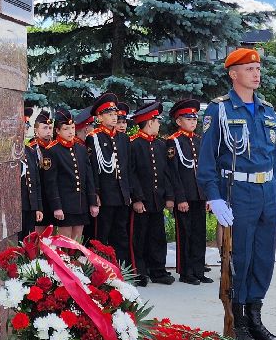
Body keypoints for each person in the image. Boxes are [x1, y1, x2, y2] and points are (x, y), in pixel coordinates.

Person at [197, 47, 276, 340]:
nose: (256, 73)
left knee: (264, 258)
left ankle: (255, 317)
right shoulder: (219, 110)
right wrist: (215, 197)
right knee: (240, 257)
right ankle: (237, 321)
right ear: (233, 74)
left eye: (258, 68)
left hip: (265, 192)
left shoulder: (267, 109)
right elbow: (207, 159)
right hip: (238, 192)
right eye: (249, 69)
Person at [164, 98, 211, 285]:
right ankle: (186, 271)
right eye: (188, 118)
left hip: (199, 195)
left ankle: (199, 270)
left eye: (194, 118)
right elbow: (173, 173)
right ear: (178, 121)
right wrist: (180, 198)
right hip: (185, 197)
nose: (193, 121)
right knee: (185, 234)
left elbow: (206, 170)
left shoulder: (199, 140)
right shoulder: (173, 142)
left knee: (200, 234)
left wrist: (207, 196)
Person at [85, 93, 133, 268]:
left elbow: (127, 168)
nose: (114, 117)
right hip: (105, 194)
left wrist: (128, 193)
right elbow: (92, 169)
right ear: (99, 117)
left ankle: (121, 269)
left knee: (120, 234)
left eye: (115, 114)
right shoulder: (94, 138)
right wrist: (95, 193)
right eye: (110, 114)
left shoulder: (123, 138)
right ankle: (102, 271)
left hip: (121, 194)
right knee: (102, 235)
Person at [127, 100, 173, 285]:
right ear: (149, 122)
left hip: (157, 199)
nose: (159, 124)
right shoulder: (134, 144)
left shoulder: (160, 145)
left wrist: (169, 196)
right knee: (140, 237)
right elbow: (131, 173)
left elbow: (165, 173)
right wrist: (137, 199)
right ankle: (140, 271)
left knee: (158, 236)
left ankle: (158, 270)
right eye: (157, 121)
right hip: (143, 200)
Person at [43, 109, 95, 243]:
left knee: (77, 243)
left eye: (72, 128)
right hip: (64, 205)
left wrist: (92, 202)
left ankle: (75, 264)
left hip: (80, 203)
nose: (71, 132)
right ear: (58, 131)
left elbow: (88, 178)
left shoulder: (81, 149)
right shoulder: (52, 150)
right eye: (66, 129)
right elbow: (50, 182)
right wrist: (57, 207)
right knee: (64, 243)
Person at [18, 103, 47, 243]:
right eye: (23, 126)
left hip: (29, 206)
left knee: (27, 242)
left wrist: (38, 207)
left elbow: (36, 182)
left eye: (27, 126)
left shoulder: (29, 151)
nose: (25, 129)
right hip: (16, 206)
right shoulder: (8, 153)